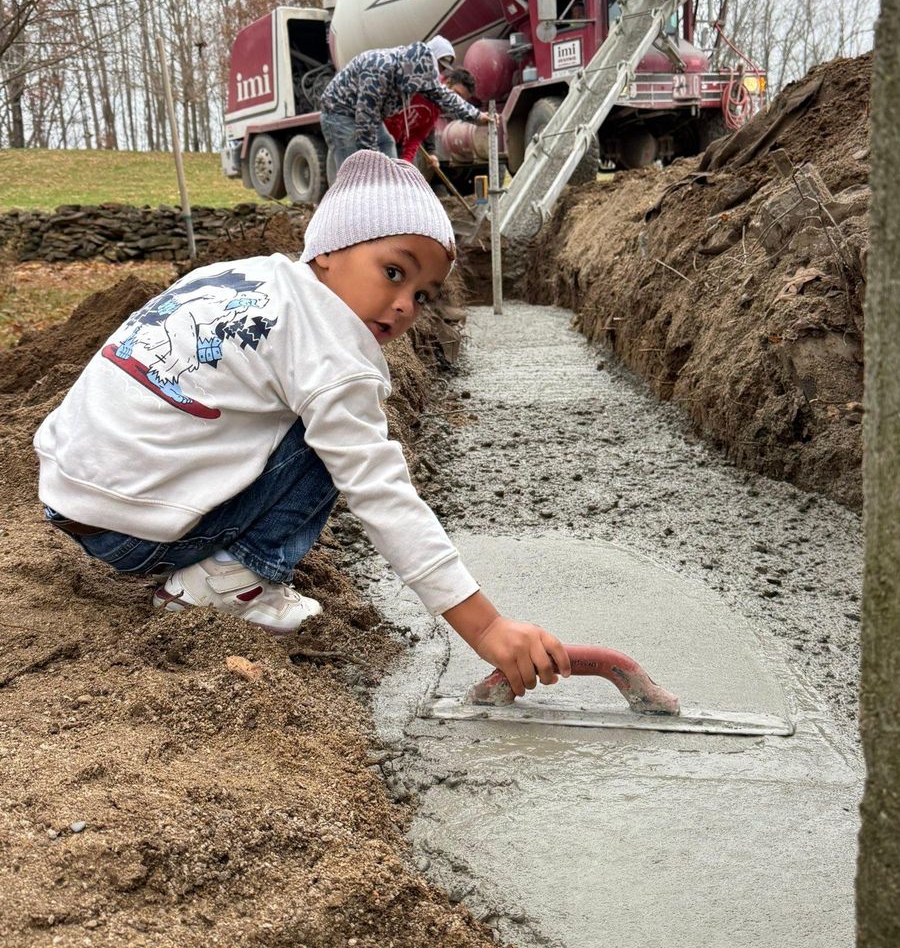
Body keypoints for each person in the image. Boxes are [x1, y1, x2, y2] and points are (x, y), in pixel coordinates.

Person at [33, 152, 570, 697]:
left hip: (70, 497)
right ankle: (228, 580)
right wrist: (486, 627)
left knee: (302, 411)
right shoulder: (332, 350)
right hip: (136, 534)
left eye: (422, 295)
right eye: (393, 272)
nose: (405, 305)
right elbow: (379, 489)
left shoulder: (235, 277)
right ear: (329, 250)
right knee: (337, 438)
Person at [320, 36, 491, 171]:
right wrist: (371, 163)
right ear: (406, 73)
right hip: (339, 110)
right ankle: (347, 201)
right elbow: (366, 121)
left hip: (368, 113)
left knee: (386, 143)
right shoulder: (379, 71)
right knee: (353, 167)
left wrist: (477, 116)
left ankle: (391, 189)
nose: (416, 90)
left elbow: (445, 96)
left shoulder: (421, 71)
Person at [384, 66, 478, 168]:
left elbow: (419, 133)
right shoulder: (422, 84)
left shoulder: (437, 107)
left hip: (396, 142)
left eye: (461, 100)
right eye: (456, 94)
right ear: (447, 82)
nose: (457, 102)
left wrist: (407, 163)